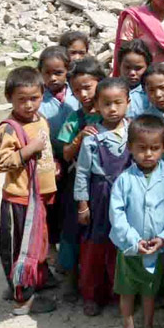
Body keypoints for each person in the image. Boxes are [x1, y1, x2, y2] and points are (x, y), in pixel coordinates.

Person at [110, 115, 164, 328]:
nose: (148, 154)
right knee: (127, 290)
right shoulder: (124, 180)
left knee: (150, 292)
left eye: (154, 148)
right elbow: (117, 214)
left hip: (155, 248)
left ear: (163, 148)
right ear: (130, 148)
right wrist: (132, 240)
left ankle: (149, 327)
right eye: (141, 148)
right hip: (129, 248)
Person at [0, 67, 57, 315]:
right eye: (22, 99)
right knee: (17, 248)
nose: (29, 104)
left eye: (34, 98)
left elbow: (46, 151)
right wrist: (29, 149)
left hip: (41, 197)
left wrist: (54, 168)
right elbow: (2, 163)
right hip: (19, 199)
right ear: (10, 98)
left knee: (37, 244)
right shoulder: (9, 127)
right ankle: (21, 297)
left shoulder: (41, 119)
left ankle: (36, 280)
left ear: (42, 94)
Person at [74, 78, 132, 316]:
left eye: (118, 103)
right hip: (100, 196)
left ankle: (121, 293)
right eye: (106, 104)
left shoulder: (135, 132)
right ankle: (92, 295)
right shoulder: (92, 138)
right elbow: (82, 174)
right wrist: (82, 205)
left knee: (123, 246)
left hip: (128, 198)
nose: (112, 109)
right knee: (95, 248)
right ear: (96, 105)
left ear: (128, 103)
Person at [57, 57, 106, 303]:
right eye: (77, 90)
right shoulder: (75, 119)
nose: (83, 94)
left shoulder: (111, 111)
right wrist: (79, 138)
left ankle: (101, 282)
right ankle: (69, 276)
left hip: (106, 182)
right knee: (73, 227)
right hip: (78, 180)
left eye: (88, 87)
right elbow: (66, 153)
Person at [38, 46, 80, 264]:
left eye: (58, 73)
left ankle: (69, 255)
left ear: (67, 71)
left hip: (75, 160)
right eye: (47, 73)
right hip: (50, 162)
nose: (53, 78)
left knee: (70, 207)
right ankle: (51, 248)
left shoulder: (77, 95)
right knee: (51, 207)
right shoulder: (39, 101)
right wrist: (51, 159)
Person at [117, 39, 153, 119]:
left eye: (138, 68)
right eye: (127, 67)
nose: (132, 73)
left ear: (148, 67)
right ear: (120, 65)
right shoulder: (111, 90)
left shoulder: (152, 92)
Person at [142, 64, 164, 129]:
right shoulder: (145, 122)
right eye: (151, 90)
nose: (158, 95)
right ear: (145, 91)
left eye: (162, 87)